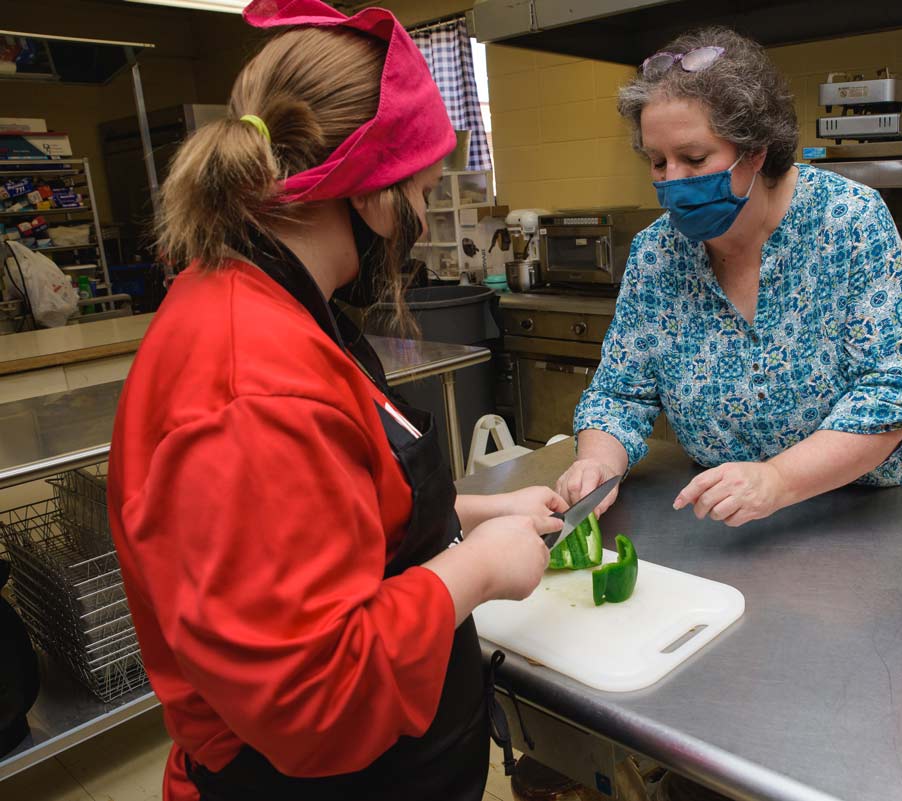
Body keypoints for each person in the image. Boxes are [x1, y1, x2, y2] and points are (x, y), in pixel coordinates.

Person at [106, 2, 563, 799]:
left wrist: (471, 511)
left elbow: (332, 510)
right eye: (416, 186)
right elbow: (317, 695)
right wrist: (476, 573)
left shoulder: (264, 302)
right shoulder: (251, 388)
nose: (418, 214)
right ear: (372, 189)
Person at [556, 27, 902, 528]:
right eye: (657, 161)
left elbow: (898, 390)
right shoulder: (657, 254)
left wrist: (778, 479)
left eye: (694, 159)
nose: (672, 181)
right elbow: (619, 394)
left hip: (863, 518)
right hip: (726, 524)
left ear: (755, 152)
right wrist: (596, 463)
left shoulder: (846, 221)